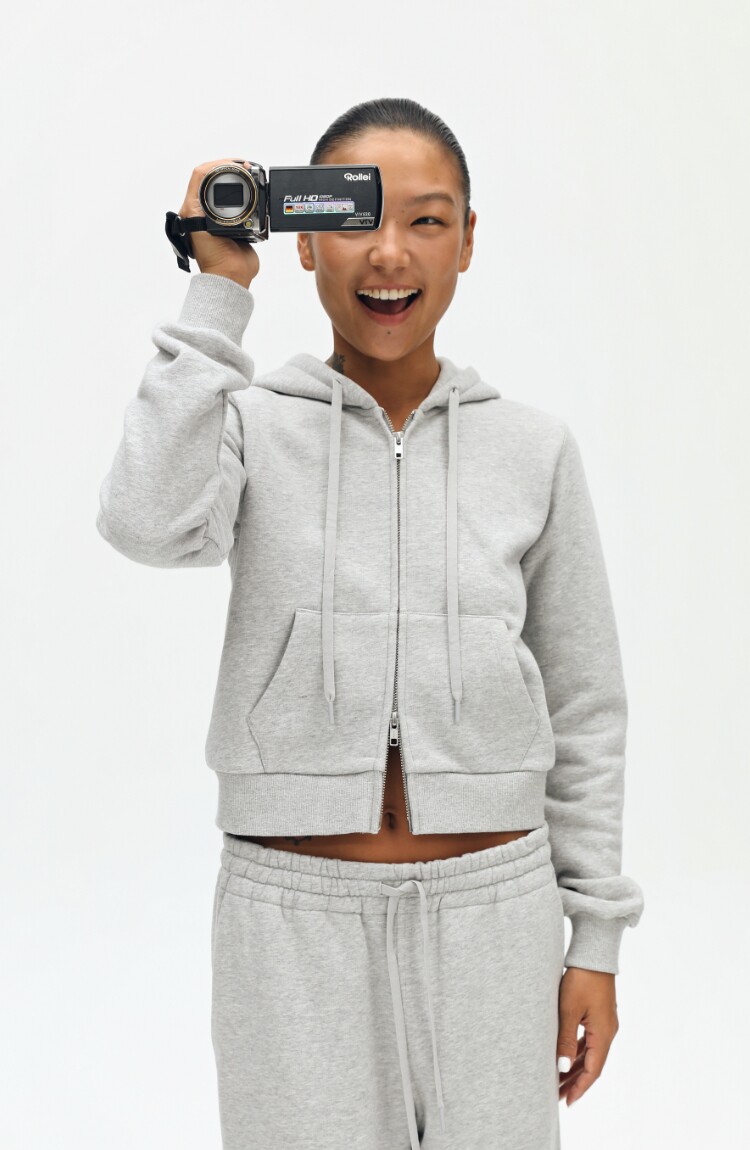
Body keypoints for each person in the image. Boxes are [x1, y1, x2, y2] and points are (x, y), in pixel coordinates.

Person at [96, 97, 645, 1150]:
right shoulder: (247, 424)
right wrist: (218, 289)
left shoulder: (532, 449)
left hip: (498, 913)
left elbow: (586, 703)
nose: (390, 254)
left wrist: (596, 940)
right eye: (356, 218)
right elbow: (145, 522)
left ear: (468, 240)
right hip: (288, 919)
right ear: (304, 240)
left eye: (427, 220)